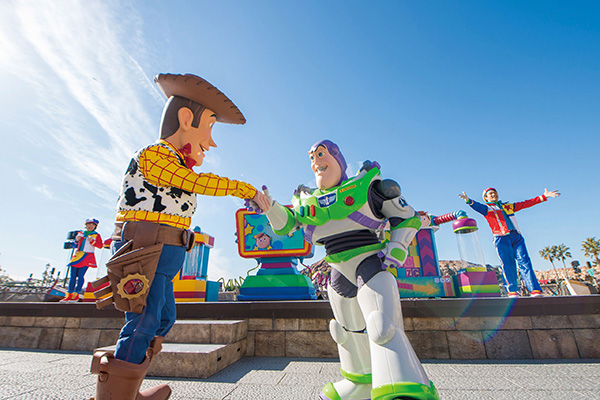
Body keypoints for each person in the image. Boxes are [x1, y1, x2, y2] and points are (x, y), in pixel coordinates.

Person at [90, 73, 270, 400]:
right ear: (186, 118)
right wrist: (243, 189)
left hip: (163, 250)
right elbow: (195, 183)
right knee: (144, 318)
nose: (211, 142)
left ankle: (128, 388)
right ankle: (116, 396)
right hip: (146, 245)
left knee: (163, 317)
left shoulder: (173, 161)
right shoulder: (155, 154)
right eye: (210, 126)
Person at [254, 140, 438, 400]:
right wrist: (270, 207)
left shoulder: (368, 188)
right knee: (345, 331)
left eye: (321, 154)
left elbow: (407, 217)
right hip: (336, 268)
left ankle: (404, 385)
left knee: (381, 325)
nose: (316, 162)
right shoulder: (307, 200)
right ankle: (360, 381)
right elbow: (287, 225)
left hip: (369, 260)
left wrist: (398, 245)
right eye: (312, 158)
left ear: (337, 158)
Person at [458, 187, 560, 298]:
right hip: (501, 238)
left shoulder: (508, 206)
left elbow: (526, 203)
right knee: (508, 264)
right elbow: (477, 206)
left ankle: (534, 290)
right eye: (491, 194)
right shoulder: (487, 208)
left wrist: (543, 196)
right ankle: (512, 291)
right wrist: (468, 200)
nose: (494, 195)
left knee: (525, 261)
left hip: (516, 236)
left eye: (495, 193)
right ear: (486, 198)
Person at [61, 218, 102, 303]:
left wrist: (92, 241)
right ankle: (69, 295)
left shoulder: (96, 235)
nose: (90, 226)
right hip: (77, 256)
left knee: (80, 276)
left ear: (95, 226)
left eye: (92, 225)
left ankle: (76, 296)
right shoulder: (80, 233)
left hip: (87, 256)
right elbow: (74, 245)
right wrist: (76, 240)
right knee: (72, 276)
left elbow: (100, 245)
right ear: (86, 225)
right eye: (89, 224)